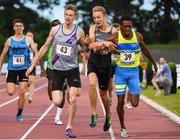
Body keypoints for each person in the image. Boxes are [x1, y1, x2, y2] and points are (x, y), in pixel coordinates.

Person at [26, 4, 86, 138]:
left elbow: (84, 47)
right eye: (66, 14)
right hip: (57, 70)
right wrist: (33, 65)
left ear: (75, 16)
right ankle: (62, 90)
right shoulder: (55, 29)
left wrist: (85, 49)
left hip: (73, 69)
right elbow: (45, 47)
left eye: (71, 15)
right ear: (64, 15)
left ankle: (69, 127)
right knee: (57, 101)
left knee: (72, 98)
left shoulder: (79, 31)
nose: (68, 17)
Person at [106, 16, 158, 137]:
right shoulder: (116, 37)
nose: (128, 28)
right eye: (125, 26)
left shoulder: (138, 36)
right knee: (120, 101)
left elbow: (145, 50)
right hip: (120, 74)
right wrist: (110, 46)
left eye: (130, 26)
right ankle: (123, 127)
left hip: (134, 73)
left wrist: (154, 63)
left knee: (135, 103)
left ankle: (129, 100)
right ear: (121, 26)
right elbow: (105, 44)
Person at [85, 6, 117, 131]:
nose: (96, 20)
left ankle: (108, 116)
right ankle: (94, 113)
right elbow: (91, 45)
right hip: (94, 61)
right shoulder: (93, 27)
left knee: (104, 94)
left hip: (106, 64)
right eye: (94, 17)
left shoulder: (113, 31)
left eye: (99, 17)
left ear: (105, 16)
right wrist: (104, 43)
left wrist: (110, 47)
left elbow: (115, 49)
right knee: (92, 84)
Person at [0, 19, 37, 122]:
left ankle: (19, 114)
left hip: (24, 69)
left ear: (23, 27)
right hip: (12, 69)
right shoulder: (9, 40)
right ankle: (15, 81)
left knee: (22, 92)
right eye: (17, 26)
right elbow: (2, 55)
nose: (19, 27)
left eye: (20, 25)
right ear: (14, 28)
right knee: (11, 92)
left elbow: (36, 52)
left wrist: (32, 64)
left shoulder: (28, 39)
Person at [26, 31, 38, 104]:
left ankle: (30, 96)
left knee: (32, 82)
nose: (29, 37)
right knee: (26, 81)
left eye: (31, 36)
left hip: (32, 65)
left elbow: (36, 54)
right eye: (28, 36)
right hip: (23, 65)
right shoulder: (22, 43)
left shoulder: (35, 45)